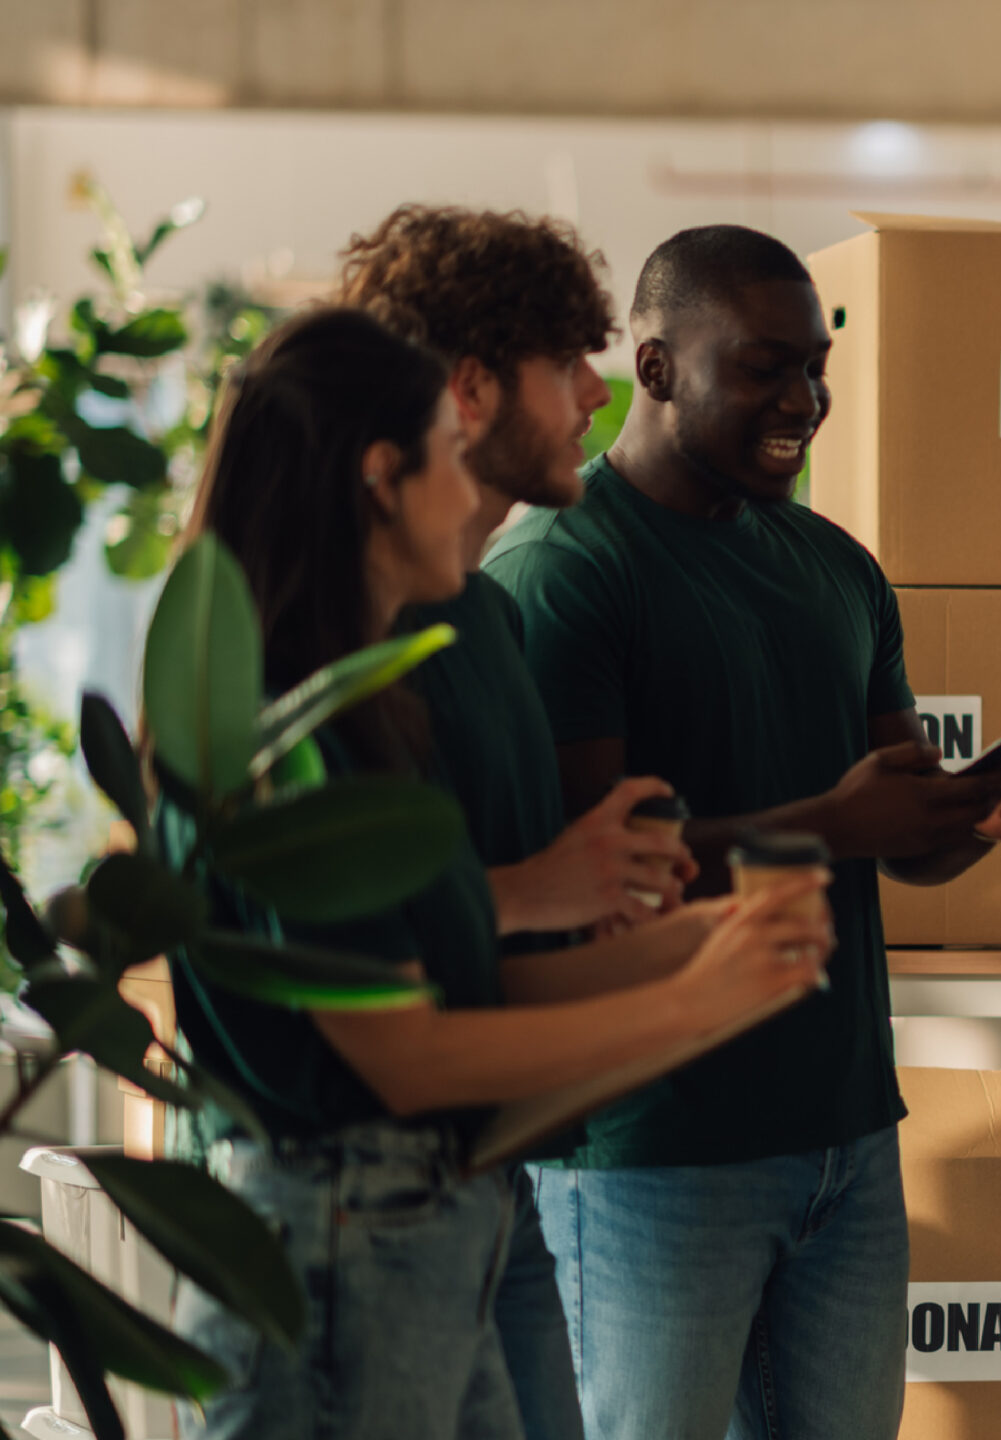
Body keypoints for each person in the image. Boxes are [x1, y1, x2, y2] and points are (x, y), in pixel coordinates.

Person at [166, 307, 831, 1440]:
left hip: (421, 1229)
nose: (471, 482)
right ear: (385, 477)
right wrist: (689, 999)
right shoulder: (291, 737)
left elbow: (453, 995)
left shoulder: (374, 707)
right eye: (445, 449)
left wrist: (703, 950)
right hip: (337, 1242)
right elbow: (413, 1056)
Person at [484, 224, 1001, 1440]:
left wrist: (981, 807)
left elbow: (897, 839)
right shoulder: (564, 571)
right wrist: (832, 821)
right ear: (653, 370)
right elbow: (588, 882)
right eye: (765, 367)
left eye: (816, 367)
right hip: (652, 1147)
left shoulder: (839, 572)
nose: (805, 400)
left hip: (846, 1136)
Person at [340, 202, 697, 1440]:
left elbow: (508, 920)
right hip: (362, 1202)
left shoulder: (487, 617)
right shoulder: (342, 635)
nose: (597, 398)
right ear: (473, 387)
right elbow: (324, 937)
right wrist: (545, 893)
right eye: (568, 366)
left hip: (499, 1188)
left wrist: (641, 916)